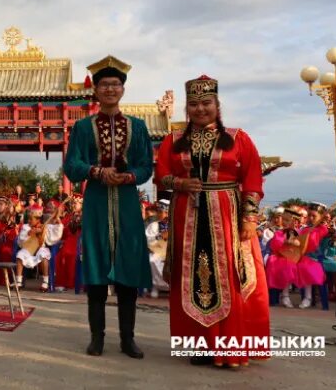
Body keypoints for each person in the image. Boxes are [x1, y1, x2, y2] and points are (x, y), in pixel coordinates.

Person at [155, 75, 270, 368]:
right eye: (193, 104)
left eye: (206, 103)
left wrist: (250, 217)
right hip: (188, 212)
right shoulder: (174, 140)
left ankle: (230, 348)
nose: (200, 109)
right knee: (190, 277)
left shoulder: (238, 137)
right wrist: (180, 183)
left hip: (227, 214)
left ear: (217, 104)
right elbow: (161, 175)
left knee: (229, 275)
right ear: (187, 108)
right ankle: (200, 346)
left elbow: (253, 179)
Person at [63, 56, 153, 359]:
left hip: (127, 202)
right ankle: (97, 338)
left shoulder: (138, 127)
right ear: (96, 91)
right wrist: (96, 172)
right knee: (97, 268)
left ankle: (128, 339)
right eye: (104, 85)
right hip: (97, 201)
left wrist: (129, 176)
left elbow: (146, 166)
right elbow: (71, 164)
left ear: (123, 90)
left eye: (116, 85)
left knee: (127, 267)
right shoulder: (82, 128)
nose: (110, 89)